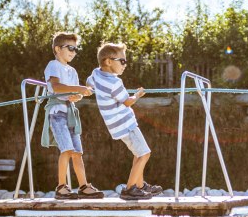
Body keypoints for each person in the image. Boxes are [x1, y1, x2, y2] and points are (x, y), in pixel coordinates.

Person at [86, 42, 162, 200]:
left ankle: (140, 185)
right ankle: (129, 189)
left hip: (115, 126)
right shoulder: (114, 82)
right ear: (108, 61)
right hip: (126, 124)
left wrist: (88, 90)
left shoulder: (96, 74)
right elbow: (127, 101)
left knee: (138, 153)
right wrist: (137, 96)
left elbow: (89, 83)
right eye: (122, 61)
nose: (125, 65)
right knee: (145, 154)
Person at [40, 32, 104, 199]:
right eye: (70, 48)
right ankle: (61, 187)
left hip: (70, 113)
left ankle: (83, 186)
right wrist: (79, 89)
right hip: (57, 114)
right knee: (67, 150)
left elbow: (74, 94)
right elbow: (57, 87)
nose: (73, 52)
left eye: (76, 49)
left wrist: (79, 95)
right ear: (57, 49)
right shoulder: (53, 65)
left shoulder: (73, 71)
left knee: (77, 152)